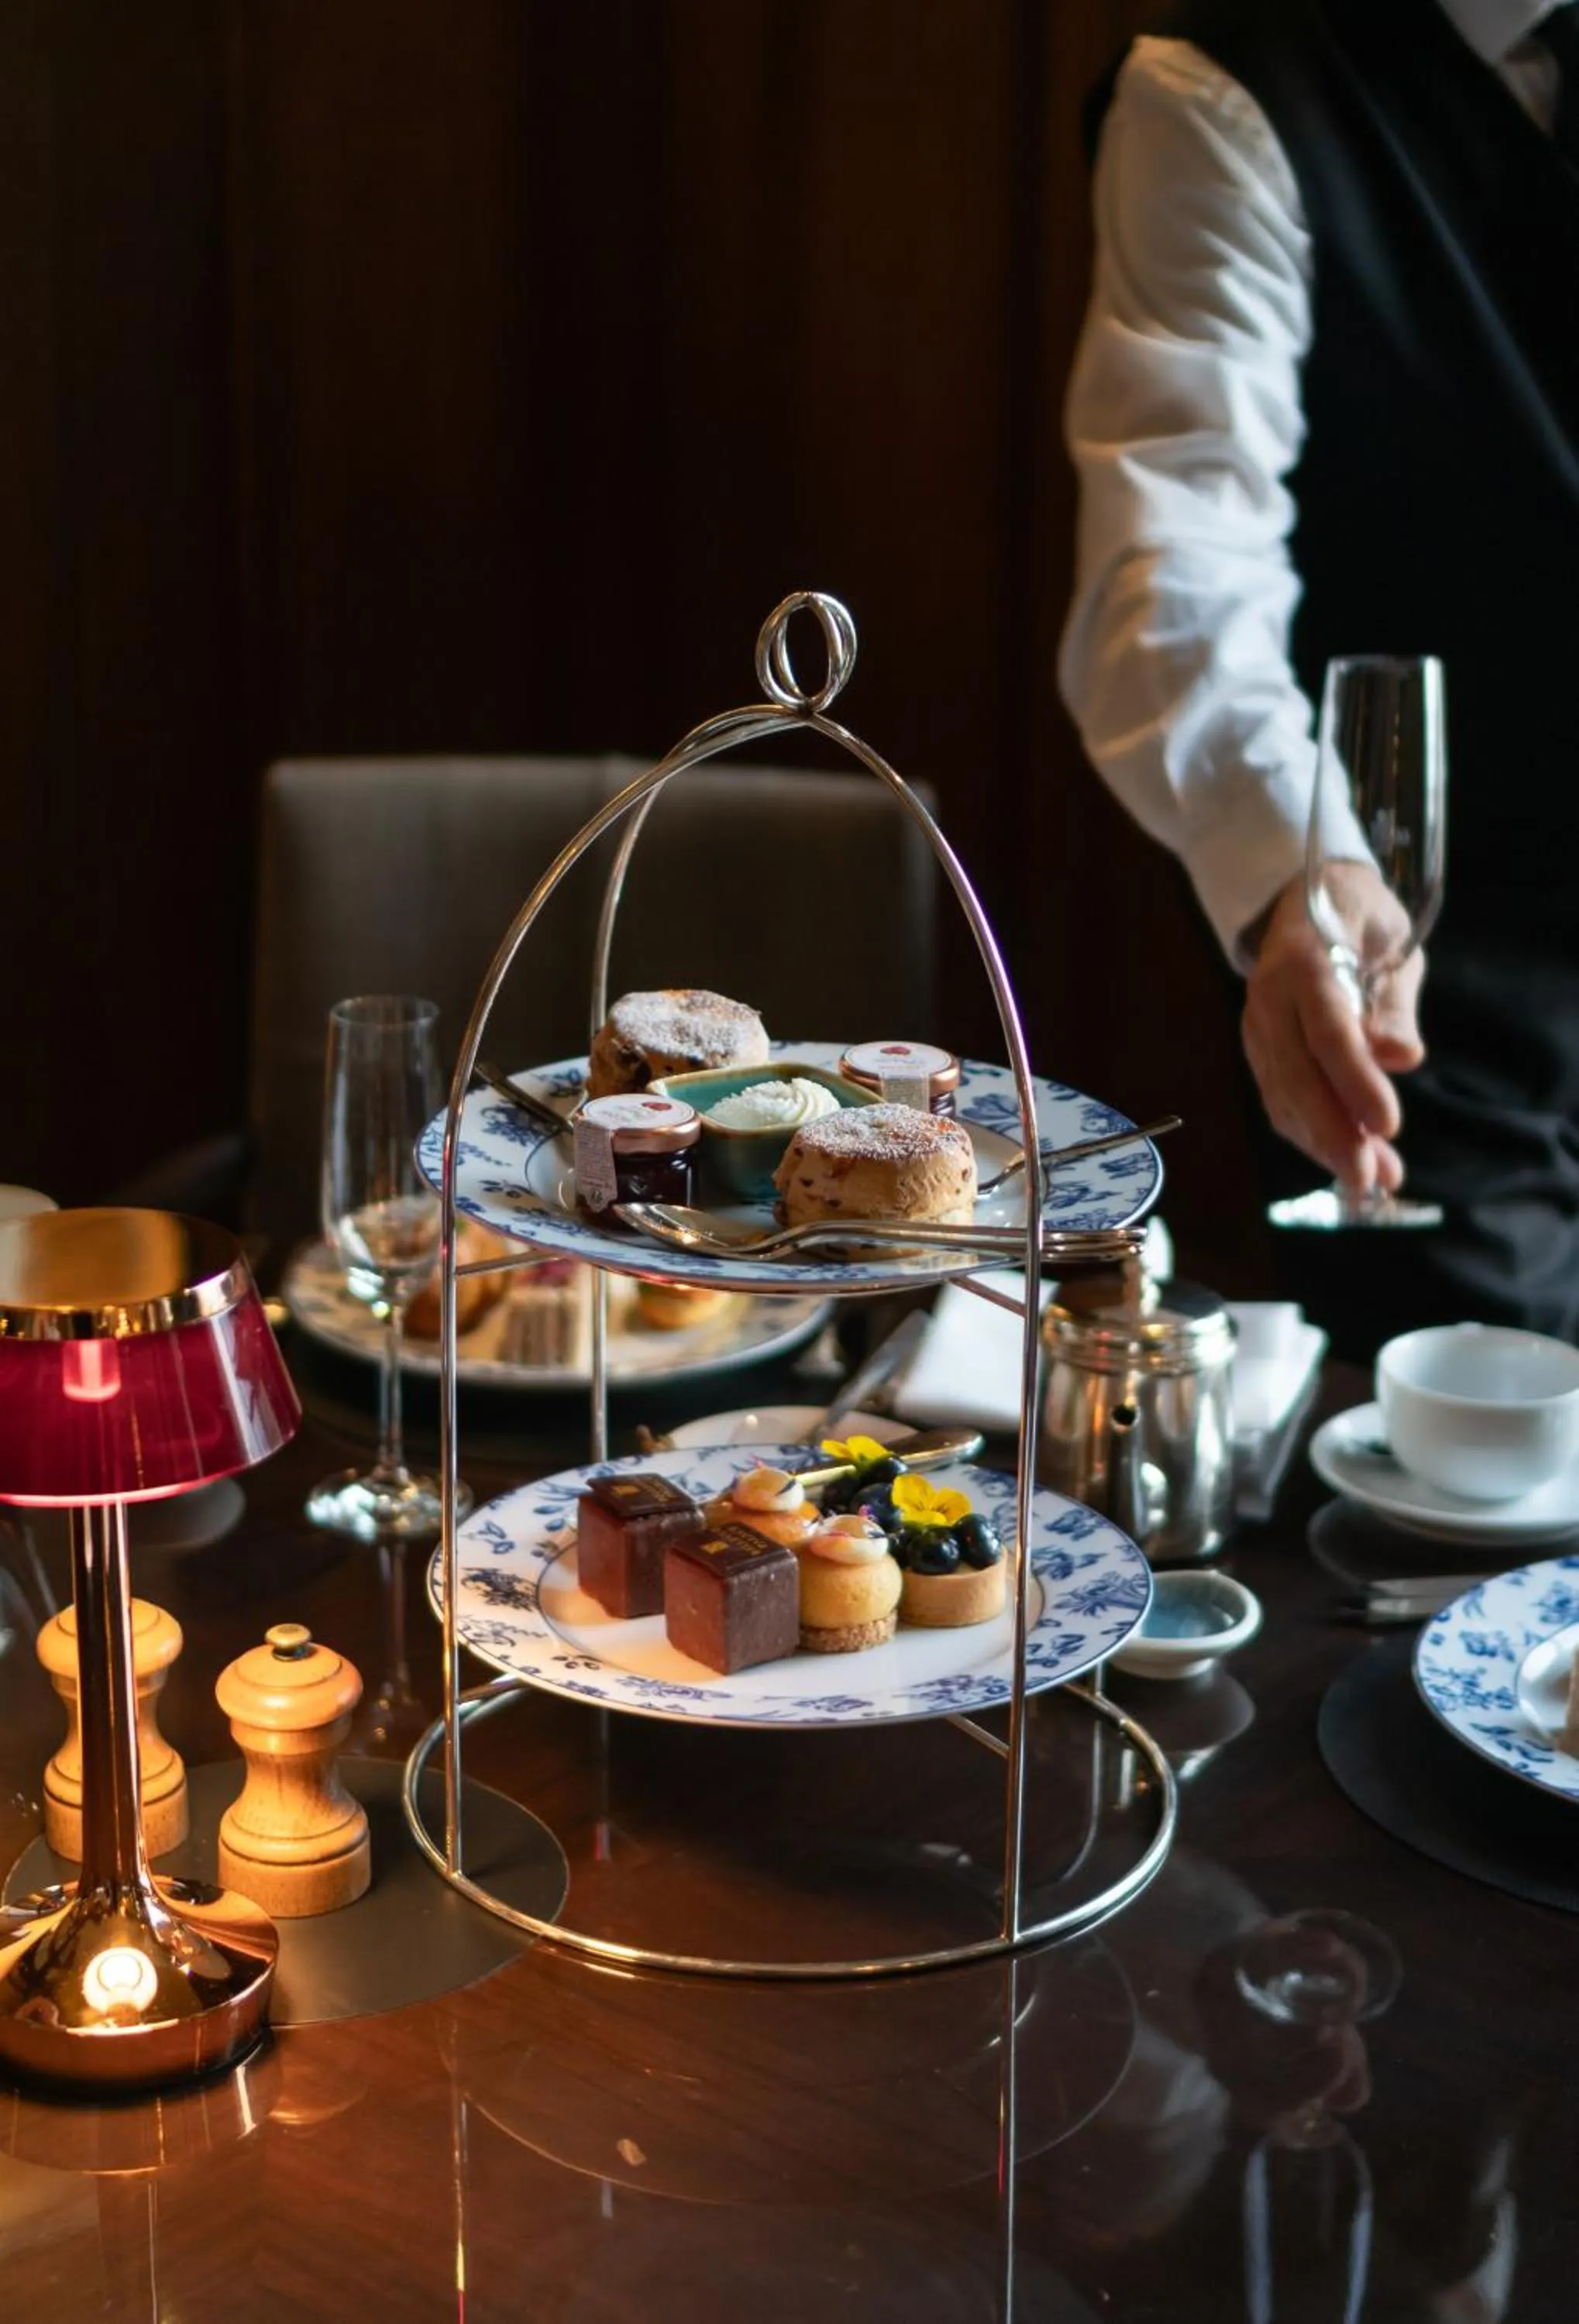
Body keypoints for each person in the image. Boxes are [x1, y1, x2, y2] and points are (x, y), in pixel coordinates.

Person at [1059, 0, 1579, 1354]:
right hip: (1425, 1006)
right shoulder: (1233, 94)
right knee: (1486, 1516)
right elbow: (1172, 571)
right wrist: (1301, 880)